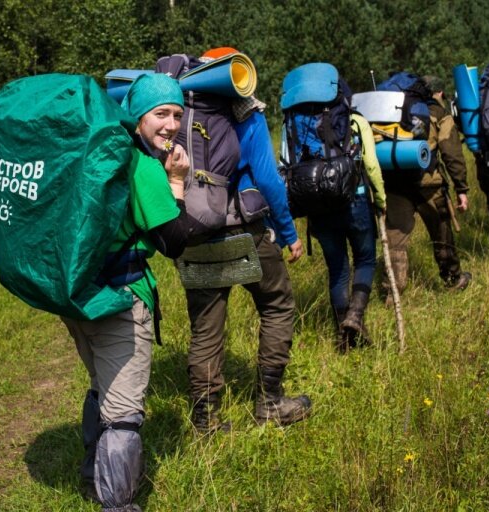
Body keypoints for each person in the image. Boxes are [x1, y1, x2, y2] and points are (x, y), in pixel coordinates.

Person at [62, 73, 190, 511]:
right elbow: (172, 241)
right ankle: (117, 504)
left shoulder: (100, 153)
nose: (172, 124)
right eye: (161, 114)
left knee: (101, 387)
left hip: (81, 295)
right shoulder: (142, 165)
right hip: (121, 298)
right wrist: (177, 182)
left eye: (177, 114)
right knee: (124, 415)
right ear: (137, 118)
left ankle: (89, 473)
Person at [186, 47, 311, 435]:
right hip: (245, 231)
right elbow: (270, 182)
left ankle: (205, 421)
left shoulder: (180, 112)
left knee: (206, 328)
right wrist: (289, 234)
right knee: (276, 305)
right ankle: (271, 404)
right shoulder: (245, 113)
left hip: (191, 230)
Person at [381, 75, 472, 304]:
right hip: (428, 183)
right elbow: (452, 152)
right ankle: (452, 279)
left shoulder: (391, 109)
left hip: (394, 183)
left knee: (395, 240)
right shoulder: (438, 113)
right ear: (437, 93)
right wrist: (461, 187)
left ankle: (393, 292)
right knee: (441, 233)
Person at [303, 106, 386, 351]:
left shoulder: (299, 123)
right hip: (356, 202)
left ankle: (343, 339)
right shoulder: (356, 120)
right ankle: (355, 317)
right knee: (366, 260)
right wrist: (381, 199)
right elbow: (370, 164)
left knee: (338, 270)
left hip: (319, 208)